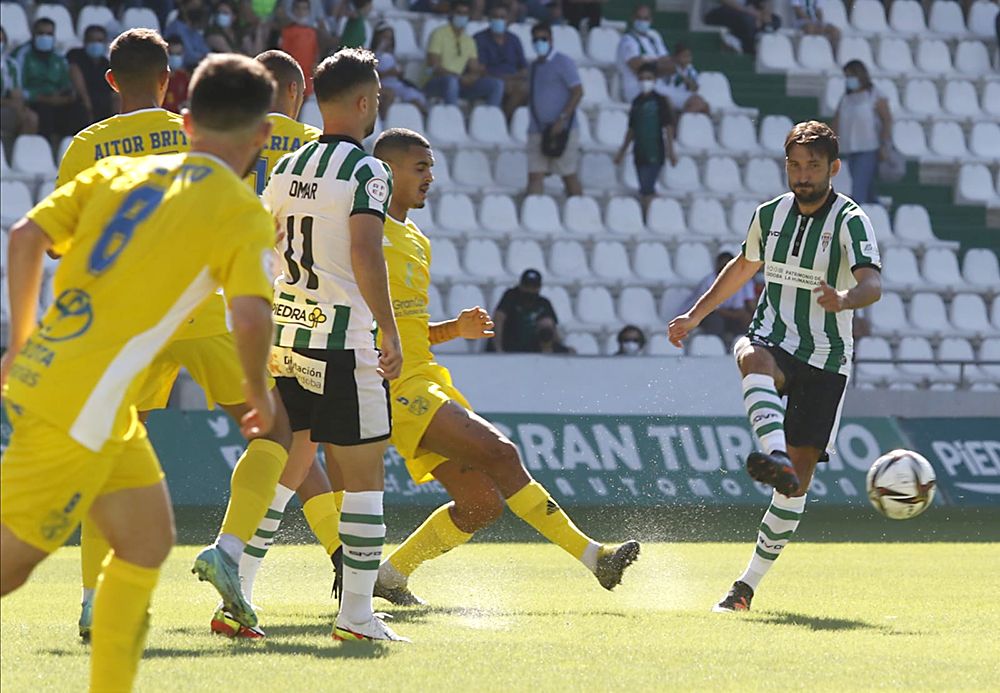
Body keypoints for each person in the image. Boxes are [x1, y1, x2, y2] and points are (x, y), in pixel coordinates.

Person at [238, 128, 640, 613]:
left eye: (431, 166)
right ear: (386, 174)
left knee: (481, 504)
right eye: (420, 167)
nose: (431, 176)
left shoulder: (414, 239)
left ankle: (392, 574)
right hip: (391, 383)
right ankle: (595, 556)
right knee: (500, 452)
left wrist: (454, 329)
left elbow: (405, 325)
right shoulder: (362, 232)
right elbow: (351, 308)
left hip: (424, 376)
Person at [0, 52, 278, 692]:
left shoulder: (120, 169)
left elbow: (22, 239)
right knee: (10, 569)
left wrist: (17, 345)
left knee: (147, 542)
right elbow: (251, 315)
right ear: (263, 135)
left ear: (184, 122)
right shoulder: (240, 210)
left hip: (87, 393)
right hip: (81, 402)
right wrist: (259, 388)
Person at [58, 29, 293, 643]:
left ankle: (93, 603)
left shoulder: (87, 144)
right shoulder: (194, 131)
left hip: (126, 321)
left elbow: (65, 241)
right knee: (277, 430)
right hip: (206, 307)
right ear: (169, 80)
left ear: (112, 81)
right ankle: (228, 550)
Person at [668, 121, 882, 613]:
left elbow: (873, 285)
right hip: (776, 338)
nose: (801, 174)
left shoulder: (851, 220)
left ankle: (745, 586)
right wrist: (695, 316)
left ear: (834, 168)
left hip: (827, 359)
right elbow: (742, 267)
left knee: (796, 486)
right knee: (750, 354)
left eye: (812, 166)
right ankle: (773, 453)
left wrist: (844, 297)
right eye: (794, 164)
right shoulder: (770, 216)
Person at [262, 48, 407, 642]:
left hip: (289, 335)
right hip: (345, 341)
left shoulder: (285, 166)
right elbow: (367, 254)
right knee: (364, 476)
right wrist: (389, 329)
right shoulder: (368, 171)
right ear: (365, 101)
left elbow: (266, 244)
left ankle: (238, 591)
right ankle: (357, 618)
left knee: (289, 466)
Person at [207, 49, 332, 639]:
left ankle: (240, 581)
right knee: (293, 439)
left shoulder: (233, 138)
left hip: (223, 301)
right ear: (297, 88)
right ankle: (351, 578)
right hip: (300, 308)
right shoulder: (312, 143)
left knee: (294, 444)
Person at [526, 22, 583, 197]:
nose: (539, 43)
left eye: (543, 39)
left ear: (551, 39)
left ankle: (579, 212)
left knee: (568, 175)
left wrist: (563, 118)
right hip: (538, 128)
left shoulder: (563, 62)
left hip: (562, 128)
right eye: (536, 40)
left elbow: (578, 91)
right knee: (535, 174)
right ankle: (533, 216)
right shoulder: (534, 66)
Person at [615, 62, 675, 217]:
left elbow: (667, 126)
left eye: (648, 78)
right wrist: (622, 151)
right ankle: (653, 214)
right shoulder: (636, 102)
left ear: (654, 80)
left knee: (646, 188)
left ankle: (649, 217)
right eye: (641, 78)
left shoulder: (660, 101)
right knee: (644, 186)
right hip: (639, 150)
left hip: (655, 149)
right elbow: (632, 129)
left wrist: (671, 150)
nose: (644, 81)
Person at [832, 60, 891, 205]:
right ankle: (880, 214)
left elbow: (887, 120)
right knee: (868, 189)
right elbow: (836, 122)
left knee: (858, 189)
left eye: (851, 76)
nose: (849, 80)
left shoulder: (875, 95)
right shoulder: (846, 98)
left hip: (869, 148)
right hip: (851, 148)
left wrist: (884, 144)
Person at [424, 1, 504, 108]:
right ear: (451, 13)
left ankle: (489, 120)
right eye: (459, 13)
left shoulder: (469, 40)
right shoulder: (438, 34)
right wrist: (458, 77)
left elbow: (474, 69)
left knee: (496, 84)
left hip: (459, 83)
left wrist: (472, 78)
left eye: (465, 14)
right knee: (451, 82)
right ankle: (452, 119)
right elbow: (434, 66)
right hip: (437, 82)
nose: (462, 16)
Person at [17, 18, 84, 143]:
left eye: (49, 34)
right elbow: (18, 87)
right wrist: (41, 97)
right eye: (41, 33)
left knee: (78, 110)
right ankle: (45, 147)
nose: (45, 37)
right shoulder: (22, 55)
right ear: (33, 34)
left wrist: (65, 96)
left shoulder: (58, 57)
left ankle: (73, 147)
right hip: (34, 101)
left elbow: (66, 84)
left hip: (57, 99)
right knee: (44, 110)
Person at [689, 251, 757, 346]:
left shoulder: (736, 282)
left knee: (744, 322)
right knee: (716, 321)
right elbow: (709, 308)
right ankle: (713, 347)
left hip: (726, 313)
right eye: (722, 265)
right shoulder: (709, 281)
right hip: (702, 314)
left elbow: (738, 308)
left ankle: (739, 348)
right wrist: (736, 315)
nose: (724, 268)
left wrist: (743, 316)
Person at [474, 3, 528, 120]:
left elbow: (524, 68)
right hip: (491, 79)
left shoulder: (514, 39)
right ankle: (502, 120)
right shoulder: (479, 38)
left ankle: (505, 120)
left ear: (508, 19)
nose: (498, 20)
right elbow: (480, 70)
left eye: (502, 17)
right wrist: (504, 79)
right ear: (489, 18)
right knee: (517, 88)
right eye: (495, 16)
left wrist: (513, 78)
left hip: (514, 80)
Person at [616, 4, 674, 104]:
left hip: (659, 86)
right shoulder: (627, 40)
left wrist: (648, 61)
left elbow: (670, 65)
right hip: (637, 88)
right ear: (633, 19)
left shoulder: (654, 36)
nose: (642, 21)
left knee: (695, 100)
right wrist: (658, 63)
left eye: (645, 18)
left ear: (651, 20)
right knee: (667, 102)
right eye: (639, 18)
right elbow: (637, 66)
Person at [492, 269, 557, 352]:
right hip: (512, 345)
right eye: (527, 286)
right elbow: (498, 319)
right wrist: (498, 348)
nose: (530, 290)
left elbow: (554, 331)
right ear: (521, 285)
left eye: (533, 287)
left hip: (535, 346)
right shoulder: (510, 297)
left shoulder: (544, 303)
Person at [371, 23, 427, 117]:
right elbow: (371, 75)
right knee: (389, 95)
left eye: (389, 38)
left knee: (415, 98)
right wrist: (389, 73)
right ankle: (385, 122)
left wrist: (399, 72)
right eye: (384, 37)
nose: (387, 41)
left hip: (396, 85)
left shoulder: (391, 55)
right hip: (380, 85)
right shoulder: (370, 53)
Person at [67, 25, 115, 125]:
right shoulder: (75, 55)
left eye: (99, 41)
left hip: (103, 105)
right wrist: (87, 103)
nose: (95, 44)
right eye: (92, 40)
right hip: (79, 103)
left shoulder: (106, 64)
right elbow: (75, 75)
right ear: (85, 41)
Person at [1, 26, 39, 154]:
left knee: (31, 118)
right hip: (5, 106)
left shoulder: (10, 65)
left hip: (4, 108)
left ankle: (17, 157)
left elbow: (16, 94)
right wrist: (11, 103)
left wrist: (19, 107)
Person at [280, 0, 327, 96]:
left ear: (309, 12)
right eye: (298, 9)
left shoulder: (313, 32)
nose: (301, 12)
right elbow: (283, 54)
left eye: (304, 9)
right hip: (291, 75)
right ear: (293, 11)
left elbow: (316, 55)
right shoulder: (287, 31)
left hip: (307, 77)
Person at [704, 0, 780, 56]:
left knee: (775, 21)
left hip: (749, 14)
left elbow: (763, 4)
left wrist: (763, 16)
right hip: (719, 10)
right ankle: (749, 53)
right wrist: (751, 13)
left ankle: (759, 44)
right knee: (747, 20)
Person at [661, 43, 709, 116]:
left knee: (705, 105)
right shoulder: (670, 66)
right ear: (676, 57)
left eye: (689, 56)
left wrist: (688, 81)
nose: (687, 59)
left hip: (683, 95)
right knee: (697, 103)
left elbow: (695, 88)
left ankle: (685, 119)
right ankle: (681, 121)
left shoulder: (690, 69)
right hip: (670, 93)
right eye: (684, 56)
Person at [165, 0, 212, 68]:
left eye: (199, 6)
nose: (197, 9)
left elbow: (206, 51)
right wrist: (203, 58)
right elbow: (188, 56)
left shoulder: (194, 30)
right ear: (183, 7)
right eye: (193, 5)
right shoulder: (175, 28)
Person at [163, 35, 190, 113]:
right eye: (171, 54)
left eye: (178, 54)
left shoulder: (184, 77)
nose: (175, 57)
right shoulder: (158, 79)